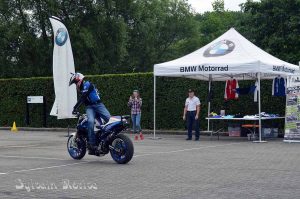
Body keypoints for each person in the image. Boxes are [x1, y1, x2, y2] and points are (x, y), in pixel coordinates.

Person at [69, 72, 111, 155]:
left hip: (98, 105)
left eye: (75, 82)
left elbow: (83, 97)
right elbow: (84, 99)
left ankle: (112, 136)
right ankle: (92, 145)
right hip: (90, 108)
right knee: (91, 122)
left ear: (79, 80)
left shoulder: (87, 84)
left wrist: (74, 108)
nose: (76, 84)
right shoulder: (82, 89)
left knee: (110, 119)